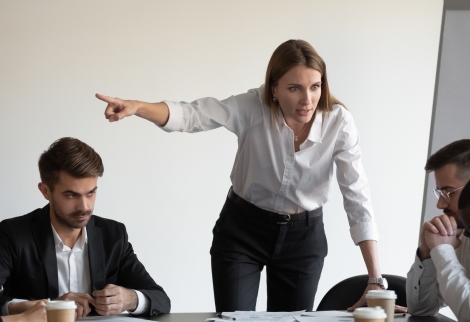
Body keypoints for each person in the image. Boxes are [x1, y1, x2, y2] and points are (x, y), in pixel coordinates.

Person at [96, 39, 385, 312]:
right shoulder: (252, 107)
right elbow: (193, 115)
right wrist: (137, 107)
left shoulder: (339, 122)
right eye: (294, 88)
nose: (307, 100)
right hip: (243, 231)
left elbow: (357, 196)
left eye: (315, 86)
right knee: (234, 321)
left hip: (303, 239)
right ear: (274, 89)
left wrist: (374, 279)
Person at [0, 137, 170, 319]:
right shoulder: (13, 234)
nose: (84, 207)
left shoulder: (113, 235)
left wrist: (130, 299)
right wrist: (47, 307)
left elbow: (161, 299)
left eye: (91, 193)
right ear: (45, 191)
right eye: (71, 195)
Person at [406, 139, 470, 320]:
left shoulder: (449, 246)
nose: (440, 204)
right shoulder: (459, 237)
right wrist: (426, 253)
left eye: (448, 192)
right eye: (440, 193)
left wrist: (443, 252)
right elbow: (421, 309)